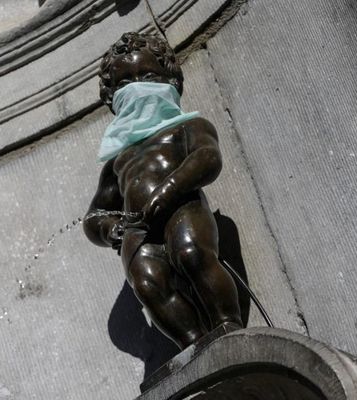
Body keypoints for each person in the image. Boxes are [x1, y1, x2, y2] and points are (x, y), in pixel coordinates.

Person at [83, 32, 242, 349]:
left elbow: (208, 159)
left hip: (182, 209)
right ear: (113, 97)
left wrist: (170, 189)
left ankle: (228, 325)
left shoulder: (188, 127)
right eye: (127, 82)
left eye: (148, 75)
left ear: (171, 80)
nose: (138, 86)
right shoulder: (117, 160)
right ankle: (192, 346)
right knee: (147, 282)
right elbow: (94, 215)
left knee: (192, 255)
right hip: (137, 232)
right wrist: (108, 228)